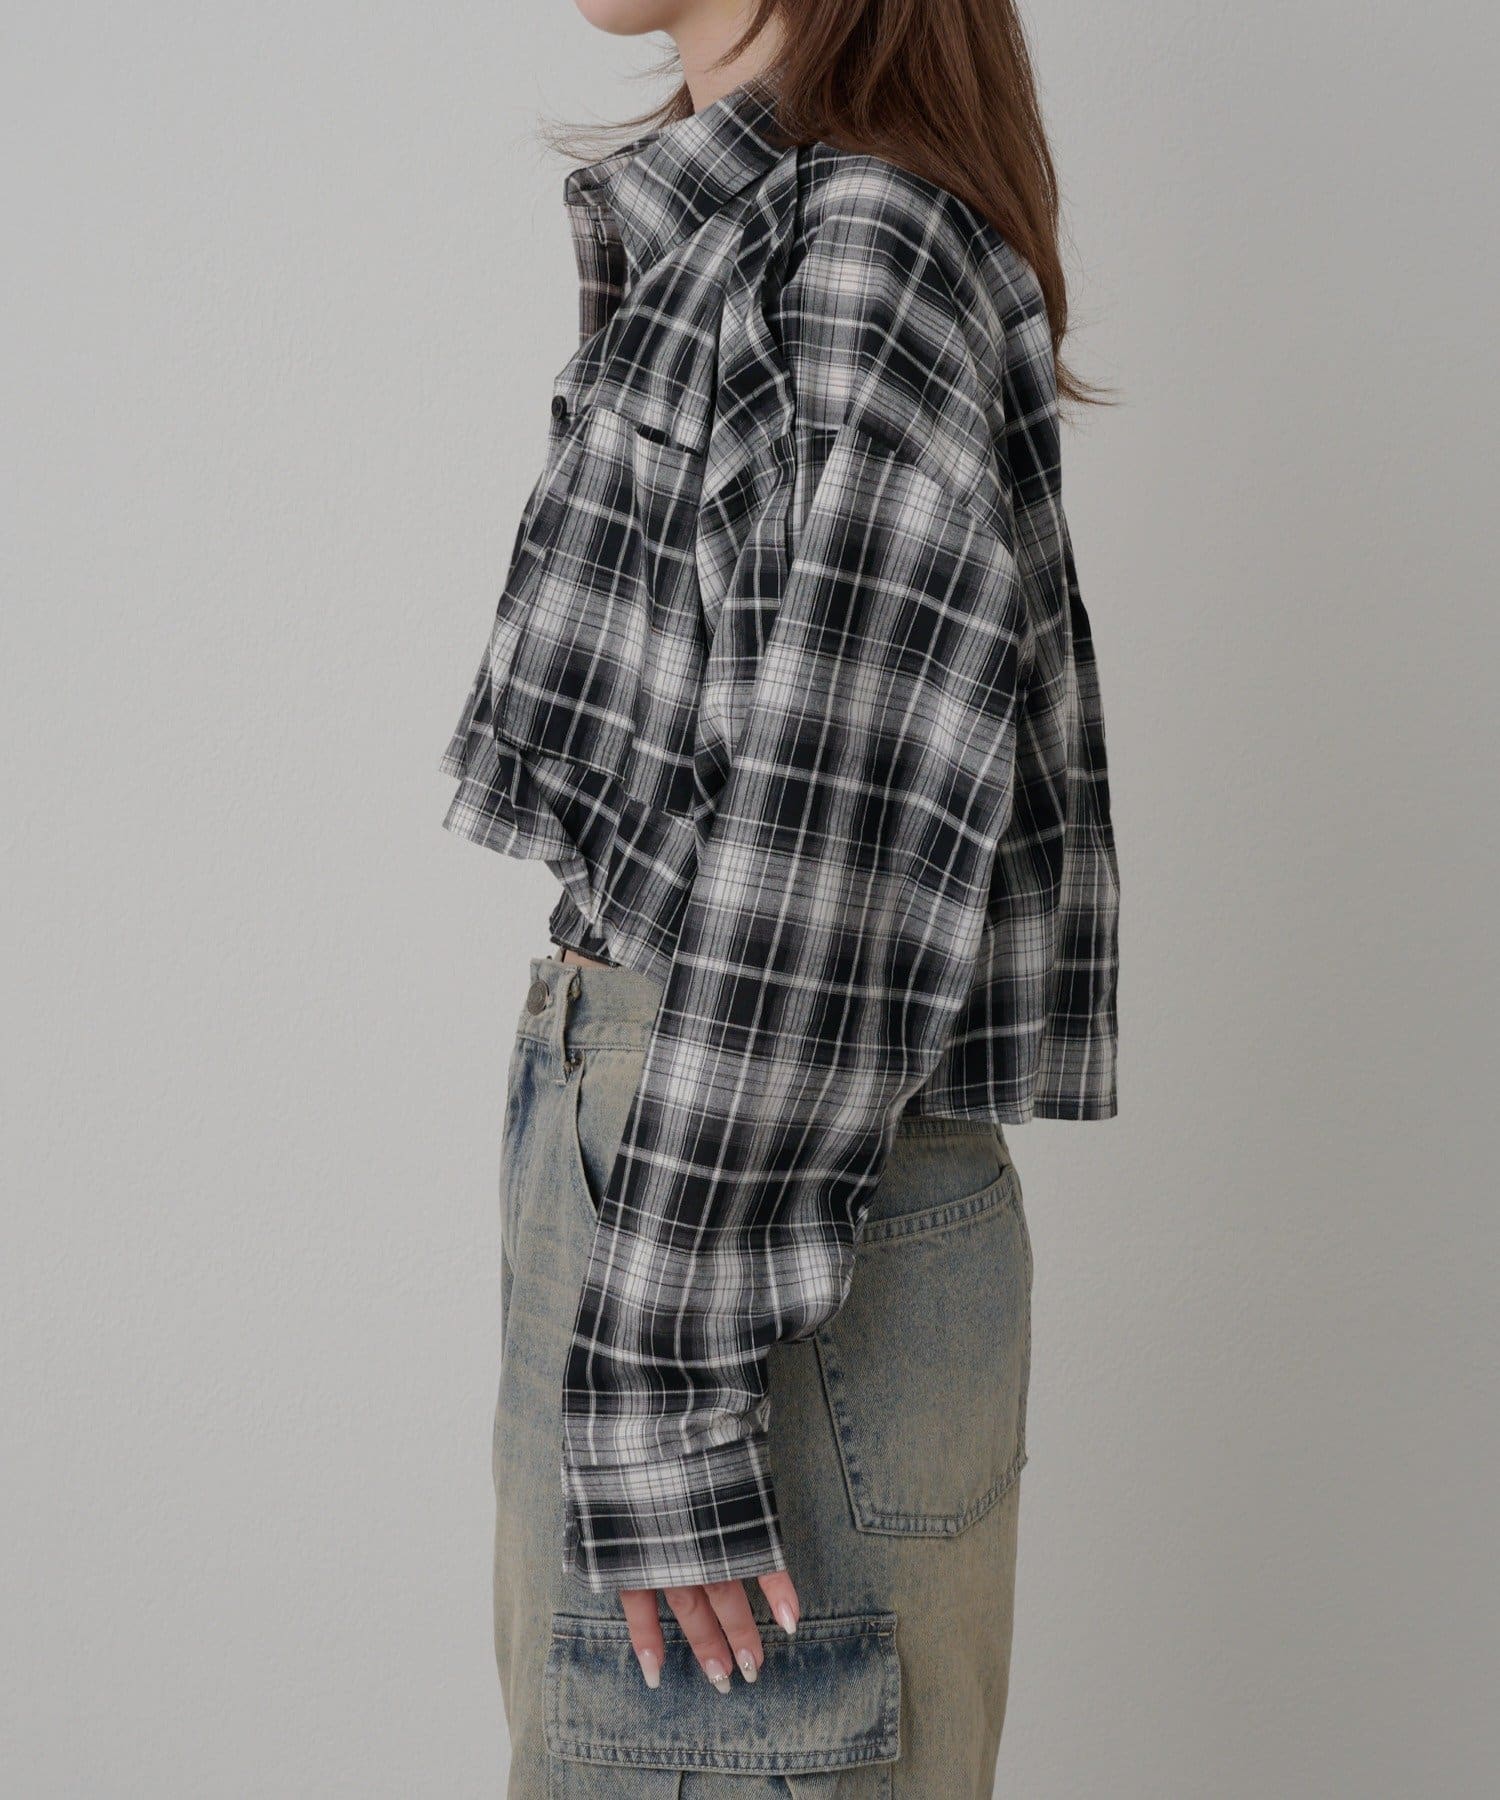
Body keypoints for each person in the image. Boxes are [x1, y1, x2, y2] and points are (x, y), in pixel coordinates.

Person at [439, 1, 1120, 1791]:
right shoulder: (766, 229)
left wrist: (667, 1373)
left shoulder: (859, 247)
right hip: (698, 1156)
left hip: (739, 1191)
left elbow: (846, 840)